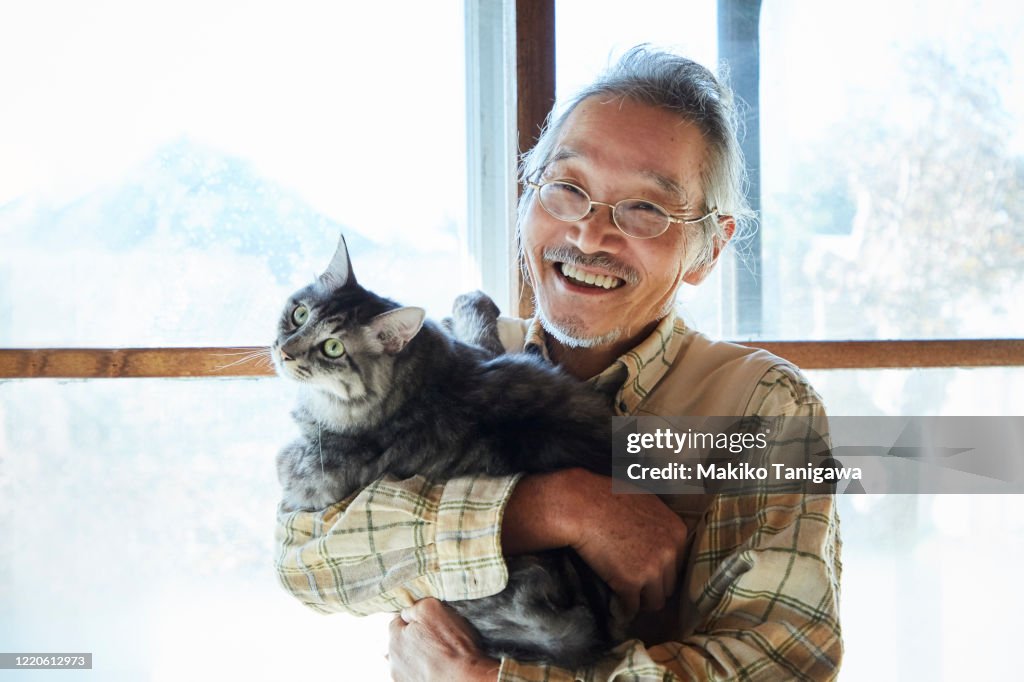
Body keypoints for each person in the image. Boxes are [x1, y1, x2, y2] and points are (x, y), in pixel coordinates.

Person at [275, 47, 843, 681]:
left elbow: (781, 665)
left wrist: (486, 679)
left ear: (709, 249)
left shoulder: (763, 407)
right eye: (568, 188)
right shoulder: (436, 364)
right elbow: (307, 558)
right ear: (527, 198)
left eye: (646, 209)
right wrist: (555, 507)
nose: (589, 235)